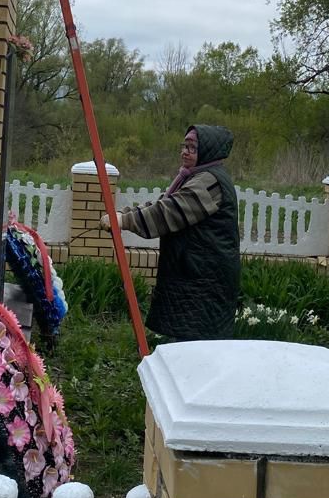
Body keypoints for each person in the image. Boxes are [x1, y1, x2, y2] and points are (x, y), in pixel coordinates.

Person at [101, 125, 242, 341]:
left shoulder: (210, 183)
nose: (185, 151)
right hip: (195, 272)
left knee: (198, 343)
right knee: (188, 341)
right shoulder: (195, 177)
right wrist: (125, 214)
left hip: (205, 277)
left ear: (207, 153)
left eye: (192, 148)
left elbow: (169, 213)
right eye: (184, 146)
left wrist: (123, 220)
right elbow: (163, 204)